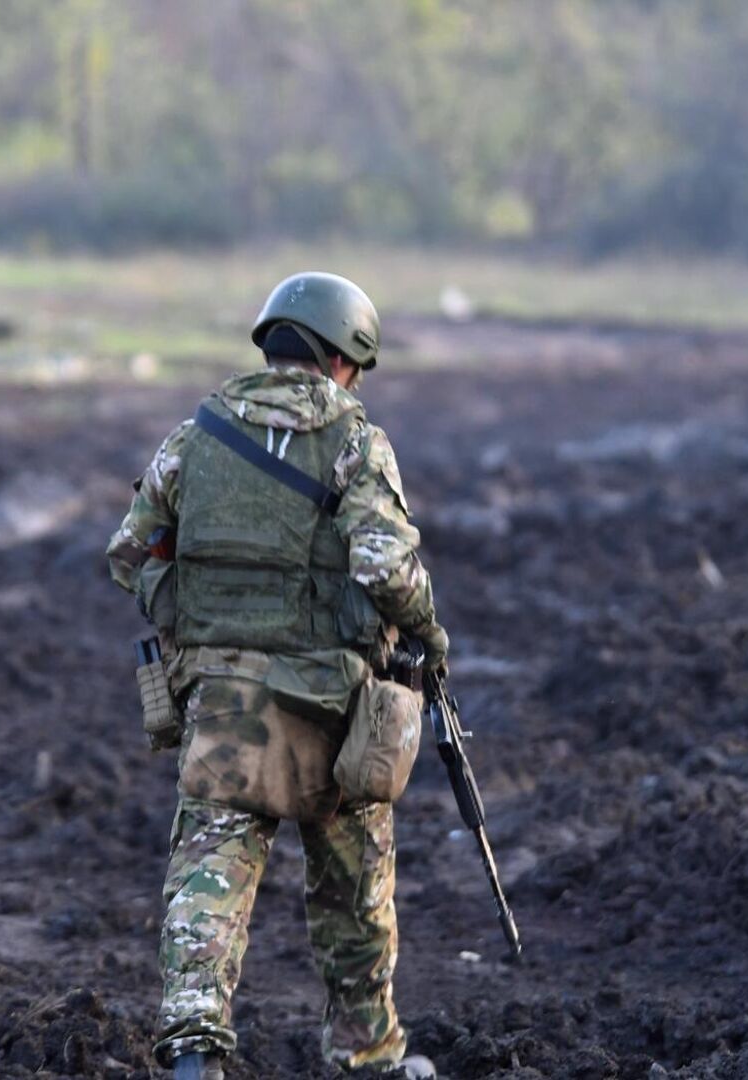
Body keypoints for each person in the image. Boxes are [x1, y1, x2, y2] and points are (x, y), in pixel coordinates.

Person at [106, 272, 448, 1079]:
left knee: (211, 869)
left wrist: (186, 613)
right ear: (343, 359)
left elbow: (129, 554)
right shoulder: (357, 441)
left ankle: (194, 1047)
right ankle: (368, 1055)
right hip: (332, 704)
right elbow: (387, 569)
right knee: (355, 890)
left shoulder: (197, 436)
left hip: (223, 705)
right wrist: (431, 636)